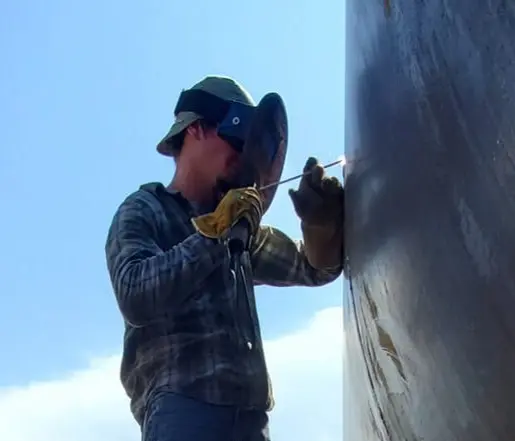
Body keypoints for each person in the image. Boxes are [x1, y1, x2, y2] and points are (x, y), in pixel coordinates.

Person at [104, 75, 345, 441]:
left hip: (250, 421)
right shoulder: (144, 210)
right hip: (183, 412)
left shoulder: (239, 223)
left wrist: (320, 226)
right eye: (235, 139)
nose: (243, 155)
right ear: (197, 129)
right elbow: (136, 294)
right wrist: (215, 234)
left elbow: (313, 267)